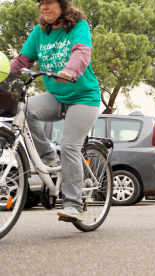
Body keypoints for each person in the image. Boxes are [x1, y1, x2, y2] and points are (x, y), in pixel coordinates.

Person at [8, 0, 100, 221]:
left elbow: (81, 52)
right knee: (25, 109)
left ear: (63, 5)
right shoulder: (40, 32)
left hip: (84, 98)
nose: (44, 8)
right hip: (57, 96)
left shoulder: (79, 26)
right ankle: (49, 158)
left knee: (69, 145)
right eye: (41, 4)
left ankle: (73, 204)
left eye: (49, 2)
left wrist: (70, 70)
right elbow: (21, 61)